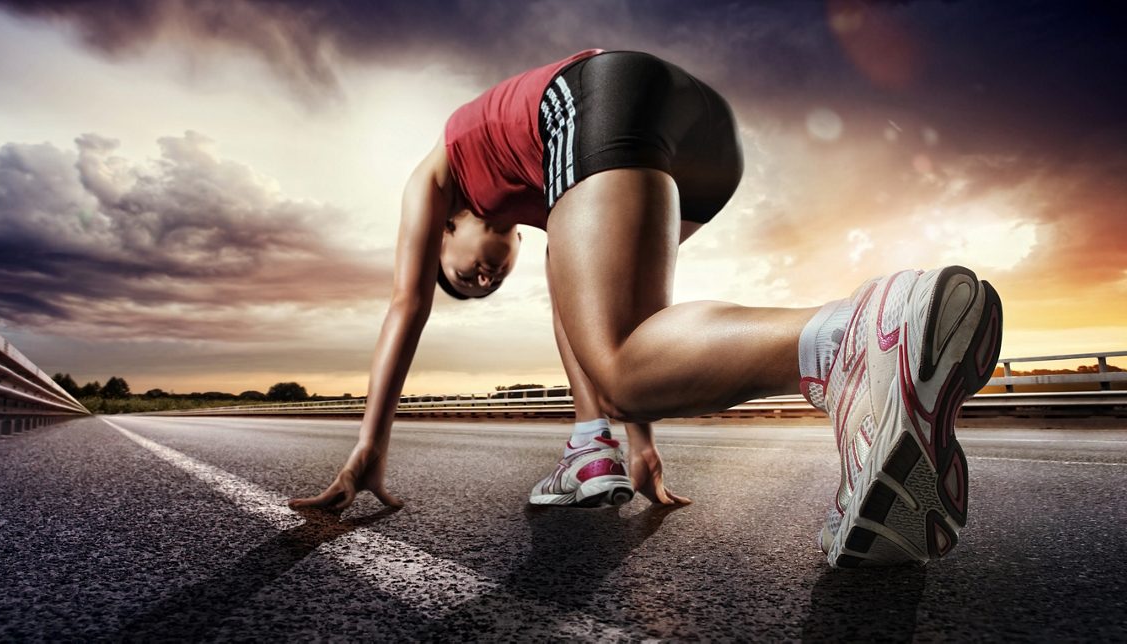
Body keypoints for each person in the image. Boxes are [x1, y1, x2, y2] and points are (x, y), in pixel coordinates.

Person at [290, 49, 1004, 567]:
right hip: (702, 142)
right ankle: (592, 447)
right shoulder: (550, 199)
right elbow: (583, 322)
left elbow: (405, 303)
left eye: (467, 275)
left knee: (625, 359)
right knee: (613, 332)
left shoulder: (436, 176)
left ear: (446, 231)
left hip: (603, 94)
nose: (481, 276)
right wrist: (640, 443)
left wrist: (369, 446)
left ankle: (854, 337)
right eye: (483, 288)